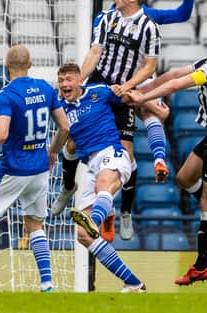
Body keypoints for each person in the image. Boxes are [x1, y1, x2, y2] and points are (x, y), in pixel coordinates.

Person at [54, 0, 187, 241]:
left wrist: (128, 87)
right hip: (101, 84)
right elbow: (95, 52)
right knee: (69, 142)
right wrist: (80, 79)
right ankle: (68, 186)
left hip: (123, 90)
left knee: (126, 156)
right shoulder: (107, 17)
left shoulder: (148, 26)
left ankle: (120, 211)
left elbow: (149, 66)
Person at [127, 18, 207, 285]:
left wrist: (142, 99)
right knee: (183, 179)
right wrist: (135, 90)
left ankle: (201, 266)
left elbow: (175, 87)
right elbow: (172, 75)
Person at [0, 45, 70, 292]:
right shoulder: (46, 88)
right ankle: (47, 284)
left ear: (6, 66)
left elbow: (0, 134)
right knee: (35, 224)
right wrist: (52, 151)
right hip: (40, 170)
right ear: (30, 63)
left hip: (15, 168)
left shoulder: (6, 95)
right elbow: (64, 127)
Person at [58, 63, 146, 293]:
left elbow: (131, 99)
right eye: (61, 81)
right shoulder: (60, 109)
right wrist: (49, 155)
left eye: (69, 79)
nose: (65, 84)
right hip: (90, 165)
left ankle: (97, 219)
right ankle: (134, 283)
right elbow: (62, 137)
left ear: (79, 80)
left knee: (103, 186)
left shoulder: (99, 91)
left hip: (112, 152)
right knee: (83, 236)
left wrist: (156, 110)